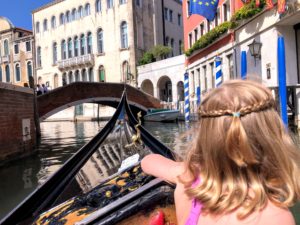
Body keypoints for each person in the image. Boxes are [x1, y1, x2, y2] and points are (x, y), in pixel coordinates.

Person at [141, 80, 300, 225]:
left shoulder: (190, 180)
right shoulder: (276, 217)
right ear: (274, 137)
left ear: (204, 138)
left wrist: (186, 166)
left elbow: (148, 161)